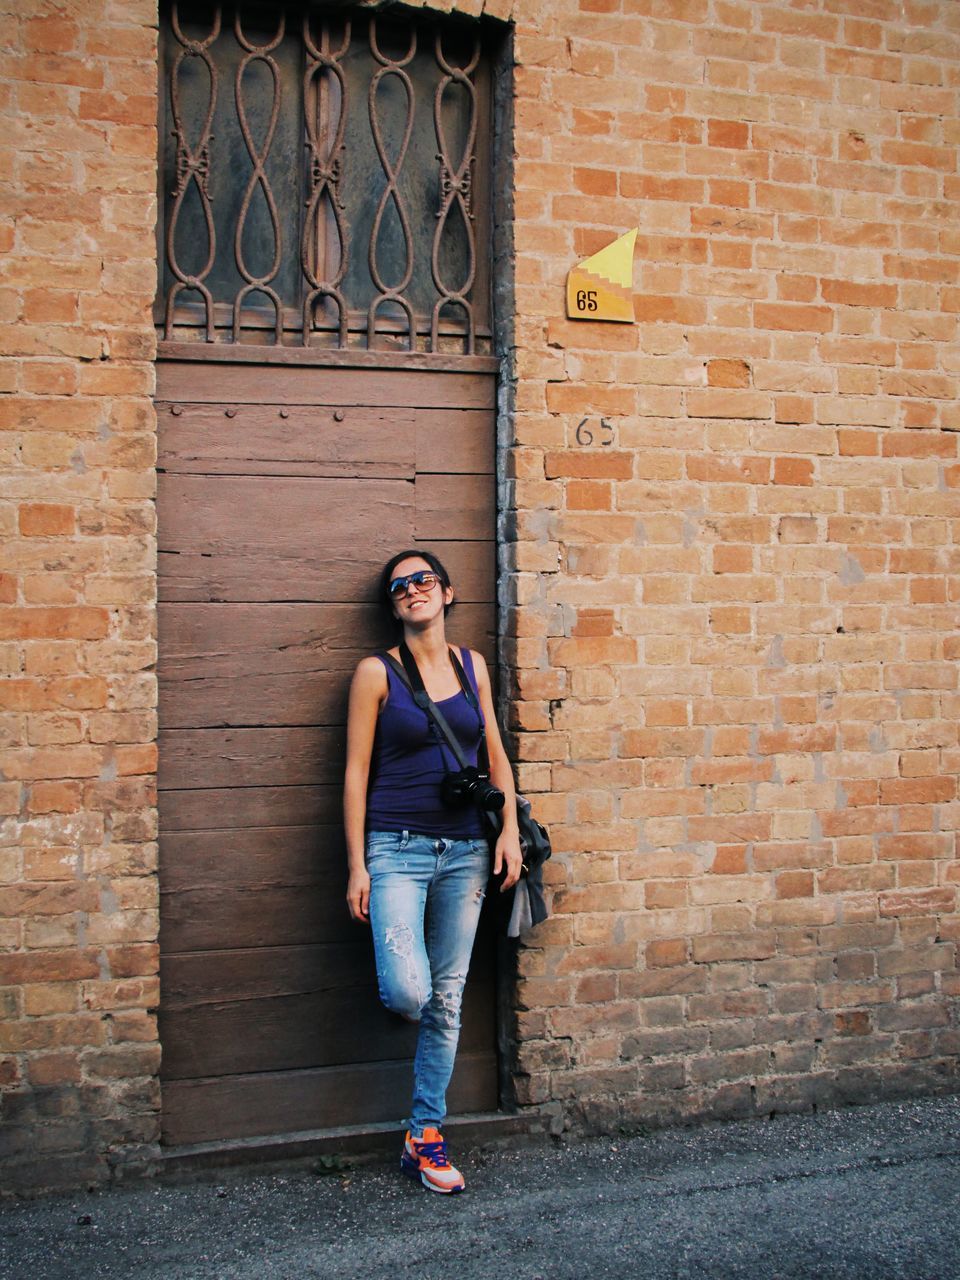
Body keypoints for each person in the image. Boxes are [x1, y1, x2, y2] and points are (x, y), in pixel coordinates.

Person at [343, 549, 523, 1194]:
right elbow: (356, 773)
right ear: (393, 606)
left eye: (423, 580)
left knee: (448, 999)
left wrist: (507, 835)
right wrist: (357, 863)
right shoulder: (375, 674)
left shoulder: (471, 664)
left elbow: (494, 754)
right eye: (399, 587)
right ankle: (423, 1128)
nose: (412, 590)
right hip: (396, 850)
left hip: (466, 854)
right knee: (411, 995)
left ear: (447, 593)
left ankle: (425, 1134)